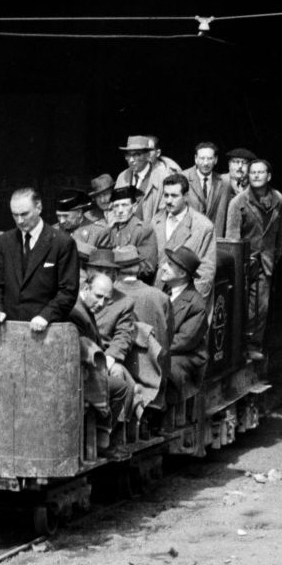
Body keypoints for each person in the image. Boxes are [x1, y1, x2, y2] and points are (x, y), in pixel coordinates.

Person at [0, 186, 80, 329]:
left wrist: (47, 315)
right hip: (9, 328)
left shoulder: (62, 243)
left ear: (39, 208)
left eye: (24, 214)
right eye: (15, 215)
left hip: (47, 329)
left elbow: (68, 291)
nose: (19, 220)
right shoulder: (4, 242)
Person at [71, 266, 136, 451]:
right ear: (85, 289)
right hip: (82, 372)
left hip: (90, 366)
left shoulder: (83, 308)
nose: (101, 303)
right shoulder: (77, 312)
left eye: (107, 299)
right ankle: (102, 435)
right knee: (122, 388)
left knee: (124, 381)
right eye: (98, 296)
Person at [106, 245, 166, 412]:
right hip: (153, 377)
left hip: (120, 374)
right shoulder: (160, 297)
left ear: (115, 271)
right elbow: (166, 340)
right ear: (139, 268)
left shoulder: (107, 295)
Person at [240, 159, 282, 363]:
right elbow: (232, 236)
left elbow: (280, 232)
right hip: (244, 261)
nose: (256, 176)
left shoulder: (279, 200)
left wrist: (275, 255)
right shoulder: (239, 202)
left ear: (268, 176)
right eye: (253, 172)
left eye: (260, 172)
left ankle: (253, 345)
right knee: (241, 305)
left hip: (265, 261)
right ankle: (239, 347)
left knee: (261, 306)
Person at [150, 172, 216, 298]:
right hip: (157, 293)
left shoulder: (203, 227)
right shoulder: (156, 221)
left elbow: (206, 272)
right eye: (166, 195)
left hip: (185, 296)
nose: (169, 201)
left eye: (174, 196)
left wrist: (191, 302)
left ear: (186, 196)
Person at [160, 246, 208, 396]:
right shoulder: (164, 291)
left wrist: (154, 347)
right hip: (164, 349)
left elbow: (184, 341)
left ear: (181, 273)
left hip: (186, 357)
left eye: (169, 265)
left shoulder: (196, 304)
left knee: (163, 369)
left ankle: (162, 414)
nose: (163, 267)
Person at [115, 135, 178, 224]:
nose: (131, 160)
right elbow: (113, 208)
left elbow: (165, 214)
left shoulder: (163, 178)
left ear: (147, 155)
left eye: (137, 155)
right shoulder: (122, 177)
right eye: (128, 155)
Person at [104, 184, 158, 282]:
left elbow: (148, 268)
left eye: (124, 205)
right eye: (116, 206)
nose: (120, 210)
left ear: (134, 207)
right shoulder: (111, 229)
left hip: (132, 284)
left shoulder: (143, 229)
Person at [56, 188, 113, 260]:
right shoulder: (53, 231)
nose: (61, 221)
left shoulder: (100, 232)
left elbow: (105, 265)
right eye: (58, 216)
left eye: (65, 216)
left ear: (79, 213)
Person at [185, 142, 229, 231]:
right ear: (195, 159)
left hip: (213, 238)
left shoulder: (224, 183)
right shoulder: (183, 178)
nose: (205, 163)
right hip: (189, 238)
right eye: (202, 158)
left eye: (209, 158)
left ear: (215, 160)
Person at [219, 147, 255, 239]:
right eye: (236, 162)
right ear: (229, 164)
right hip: (221, 239)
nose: (240, 166)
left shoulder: (255, 186)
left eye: (244, 163)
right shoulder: (219, 182)